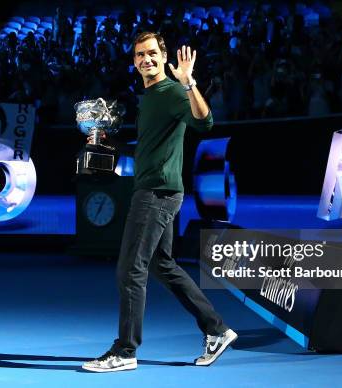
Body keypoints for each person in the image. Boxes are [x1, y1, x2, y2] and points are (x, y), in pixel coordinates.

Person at [82, 31, 237, 373]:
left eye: (152, 53)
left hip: (156, 194)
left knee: (130, 269)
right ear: (134, 60)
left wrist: (188, 83)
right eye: (140, 54)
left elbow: (204, 121)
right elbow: (152, 143)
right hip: (155, 190)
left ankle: (125, 351)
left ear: (164, 57)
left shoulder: (171, 92)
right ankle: (217, 329)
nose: (146, 59)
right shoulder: (149, 96)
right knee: (161, 265)